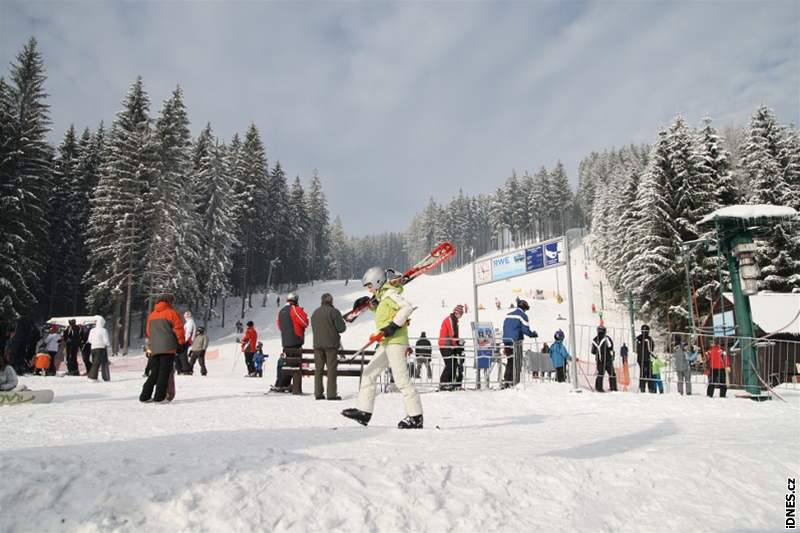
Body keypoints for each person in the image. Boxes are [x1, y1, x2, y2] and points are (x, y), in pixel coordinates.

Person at [342, 266, 423, 429]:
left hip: (396, 342)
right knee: (369, 373)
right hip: (386, 343)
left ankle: (415, 416)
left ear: (378, 281)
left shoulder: (390, 294)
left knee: (401, 380)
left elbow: (407, 307)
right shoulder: (382, 297)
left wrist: (393, 326)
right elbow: (385, 312)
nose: (369, 289)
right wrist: (370, 306)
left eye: (370, 285)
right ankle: (364, 412)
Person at [139, 293, 185, 403]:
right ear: (170, 301)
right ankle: (159, 397)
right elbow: (178, 329)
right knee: (164, 372)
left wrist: (150, 346)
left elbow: (148, 332)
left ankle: (145, 396)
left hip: (155, 347)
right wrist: (181, 343)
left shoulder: (152, 315)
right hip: (168, 347)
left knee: (154, 372)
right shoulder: (172, 313)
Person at [310, 292, 347, 400]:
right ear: (331, 301)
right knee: (331, 369)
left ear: (322, 301)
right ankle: (331, 394)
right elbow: (341, 329)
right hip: (331, 345)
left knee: (318, 369)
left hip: (317, 345)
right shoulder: (334, 312)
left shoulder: (315, 313)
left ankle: (318, 393)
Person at [501, 298, 538, 389]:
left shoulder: (508, 315)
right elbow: (526, 330)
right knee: (517, 361)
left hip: (506, 341)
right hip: (516, 342)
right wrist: (533, 334)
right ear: (524, 308)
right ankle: (514, 381)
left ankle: (507, 380)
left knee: (510, 361)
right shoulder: (522, 315)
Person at [276, 292, 309, 392]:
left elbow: (279, 325)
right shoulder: (295, 309)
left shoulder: (281, 311)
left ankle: (281, 383)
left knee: (287, 362)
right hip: (295, 339)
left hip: (285, 341)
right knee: (293, 364)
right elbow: (304, 322)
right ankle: (283, 384)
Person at [438, 305, 465, 391]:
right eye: (461, 314)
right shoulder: (450, 320)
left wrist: (457, 344)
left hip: (449, 345)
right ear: (457, 313)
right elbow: (452, 333)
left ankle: (450, 383)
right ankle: (444, 383)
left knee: (453, 364)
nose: (461, 316)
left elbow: (454, 335)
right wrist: (457, 344)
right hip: (445, 345)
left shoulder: (454, 321)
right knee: (450, 364)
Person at [591, 325, 617, 392]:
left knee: (600, 374)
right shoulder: (607, 338)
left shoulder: (594, 339)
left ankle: (599, 388)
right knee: (612, 374)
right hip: (608, 359)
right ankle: (613, 387)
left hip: (599, 360)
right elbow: (611, 347)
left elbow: (593, 351)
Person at [87, 315, 111, 382]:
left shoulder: (92, 330)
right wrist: (107, 344)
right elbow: (106, 341)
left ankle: (93, 376)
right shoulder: (103, 330)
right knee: (97, 363)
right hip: (100, 348)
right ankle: (93, 377)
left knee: (94, 362)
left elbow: (89, 340)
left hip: (93, 348)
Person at [636, 324, 656, 393]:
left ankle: (643, 387)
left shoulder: (638, 338)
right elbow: (651, 349)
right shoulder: (648, 339)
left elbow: (636, 349)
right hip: (646, 358)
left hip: (641, 358)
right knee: (648, 374)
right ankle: (649, 388)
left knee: (643, 373)